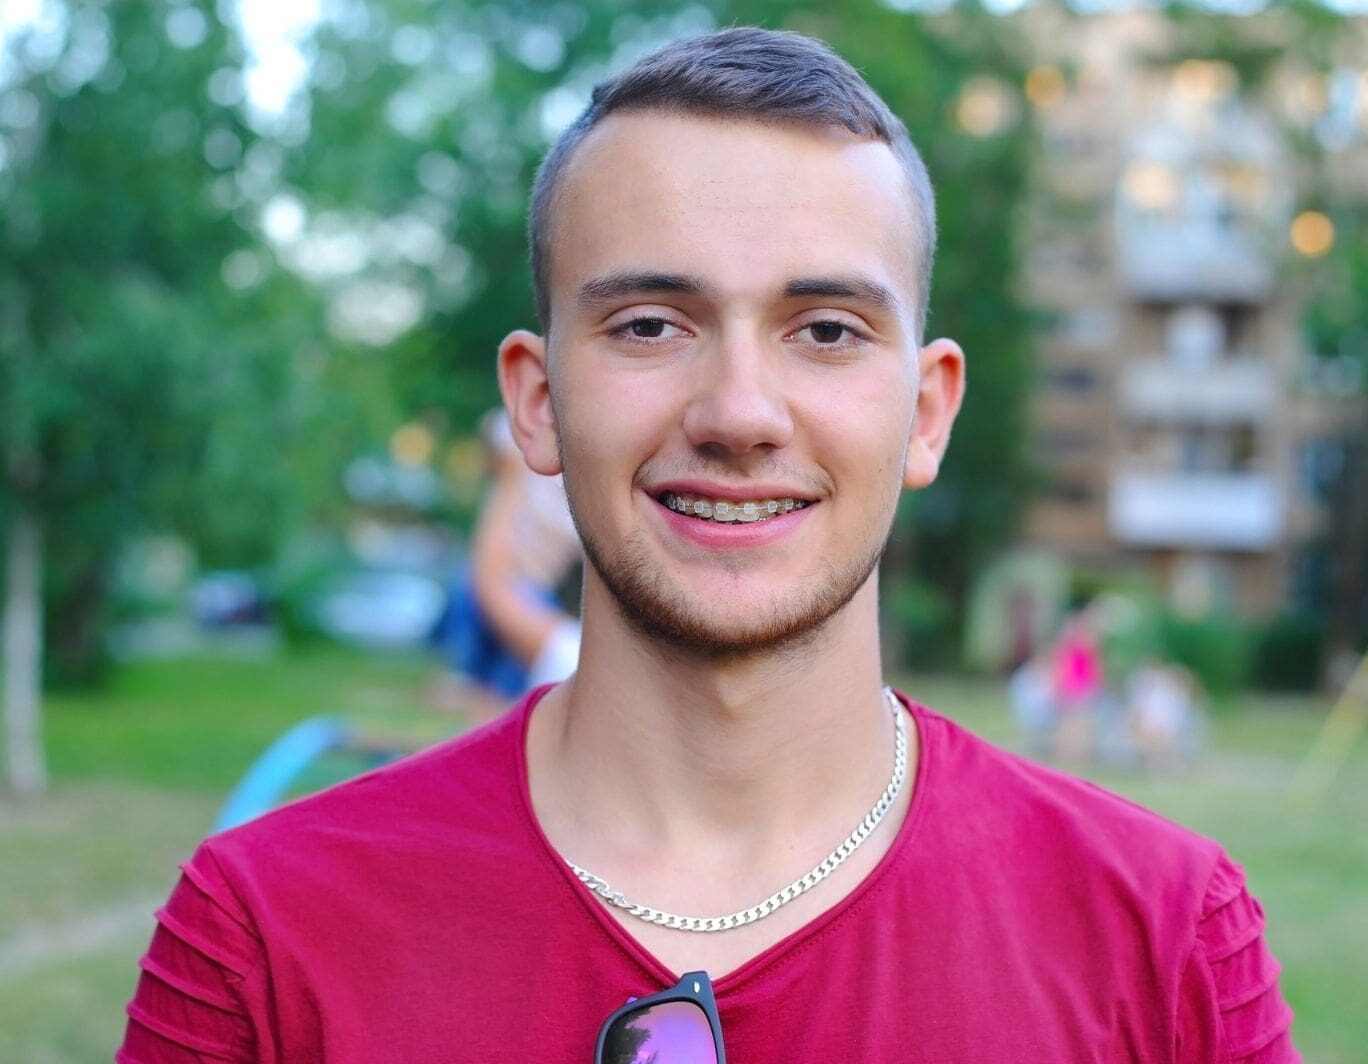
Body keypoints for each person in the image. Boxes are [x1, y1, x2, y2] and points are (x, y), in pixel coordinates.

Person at [119, 28, 1298, 1062]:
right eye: (649, 324)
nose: (740, 411)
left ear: (927, 411)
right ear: (536, 401)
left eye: (826, 329)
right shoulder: (266, 930)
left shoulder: (1165, 934)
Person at [428, 408, 582, 720]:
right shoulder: (530, 447)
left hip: (529, 583)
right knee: (467, 600)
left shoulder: (572, 494)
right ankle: (474, 678)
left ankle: (489, 691)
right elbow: (495, 427)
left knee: (486, 605)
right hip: (511, 576)